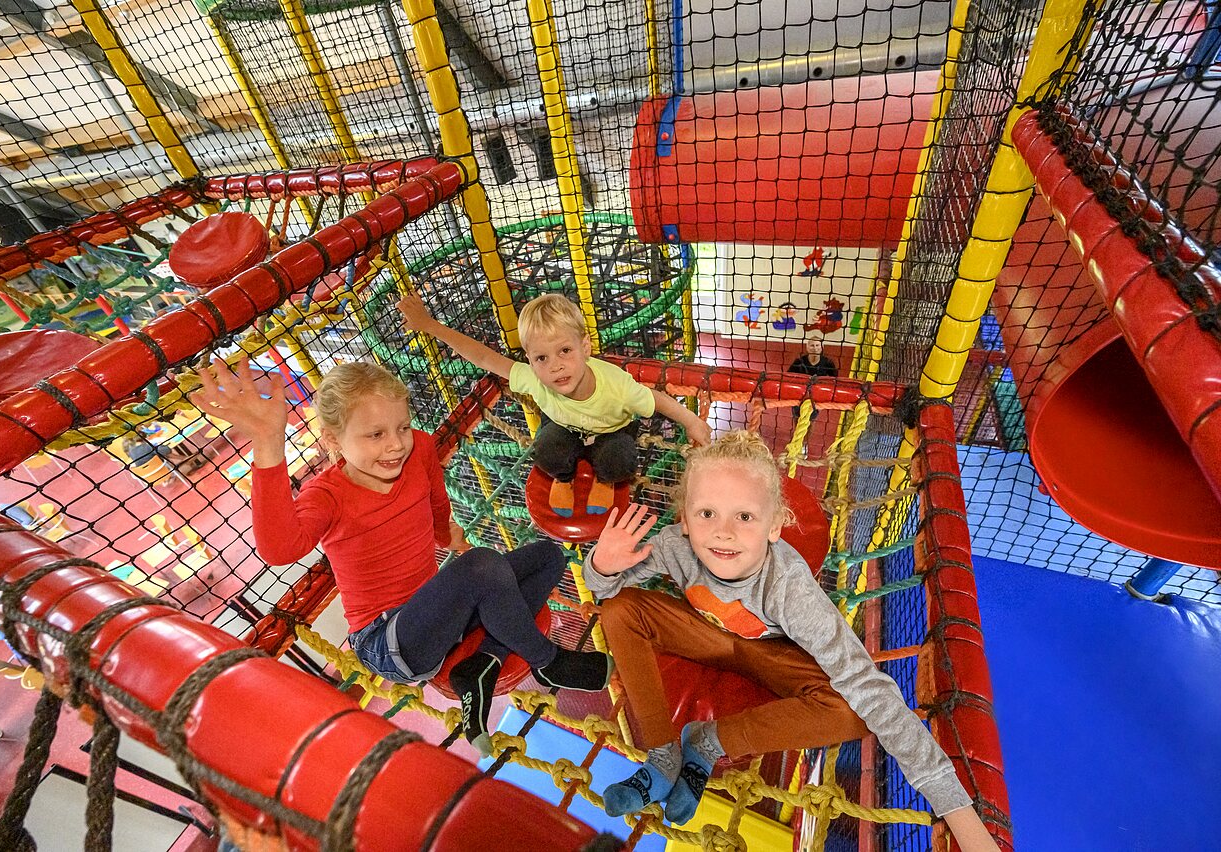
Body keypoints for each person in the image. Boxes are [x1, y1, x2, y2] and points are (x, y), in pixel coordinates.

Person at [581, 431, 998, 850]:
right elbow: (605, 586)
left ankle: (706, 742)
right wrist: (600, 563)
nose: (723, 532)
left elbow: (870, 688)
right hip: (704, 634)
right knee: (620, 609)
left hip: (770, 653)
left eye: (745, 517)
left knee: (854, 714)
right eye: (707, 513)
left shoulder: (789, 589)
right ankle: (663, 754)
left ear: (775, 525)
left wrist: (957, 812)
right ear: (685, 520)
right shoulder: (677, 546)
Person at [191, 358, 612, 755]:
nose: (395, 445)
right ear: (334, 440)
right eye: (375, 435)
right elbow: (280, 549)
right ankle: (550, 662)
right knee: (485, 564)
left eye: (402, 428)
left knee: (546, 558)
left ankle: (482, 665)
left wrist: (449, 536)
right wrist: (268, 444)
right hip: (388, 640)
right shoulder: (328, 496)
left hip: (436, 611)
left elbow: (435, 506)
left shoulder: (419, 451)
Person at [398, 293, 711, 516]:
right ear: (531, 360)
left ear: (584, 346)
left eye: (564, 351)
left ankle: (603, 479)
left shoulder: (616, 387)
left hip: (612, 428)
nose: (555, 367)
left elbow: (655, 399)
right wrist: (429, 325)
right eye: (541, 358)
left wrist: (691, 421)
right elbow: (483, 356)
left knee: (620, 459)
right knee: (545, 448)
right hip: (564, 425)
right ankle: (564, 477)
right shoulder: (535, 378)